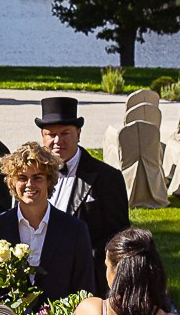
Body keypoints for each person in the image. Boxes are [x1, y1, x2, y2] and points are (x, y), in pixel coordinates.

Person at [0, 141, 99, 302]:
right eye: (22, 178)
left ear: (49, 181)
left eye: (37, 178)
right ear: (12, 182)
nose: (30, 184)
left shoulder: (74, 230)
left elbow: (84, 288)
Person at [36, 93, 129, 250]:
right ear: (42, 136)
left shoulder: (108, 178)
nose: (58, 141)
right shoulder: (29, 175)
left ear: (78, 134)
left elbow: (118, 239)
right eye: (51, 135)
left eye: (65, 133)